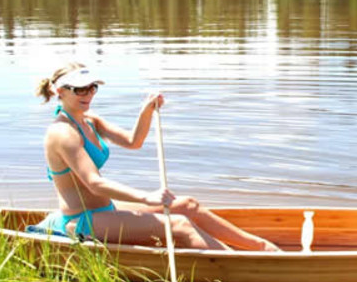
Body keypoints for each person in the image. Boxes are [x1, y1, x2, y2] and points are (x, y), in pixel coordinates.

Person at [34, 62, 280, 251]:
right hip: (83, 221)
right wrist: (147, 196)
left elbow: (133, 142)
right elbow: (94, 184)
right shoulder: (62, 133)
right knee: (180, 224)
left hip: (106, 210)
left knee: (187, 205)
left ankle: (263, 248)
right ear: (60, 91)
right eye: (79, 89)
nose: (88, 94)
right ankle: (241, 265)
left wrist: (147, 111)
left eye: (92, 87)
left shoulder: (89, 120)